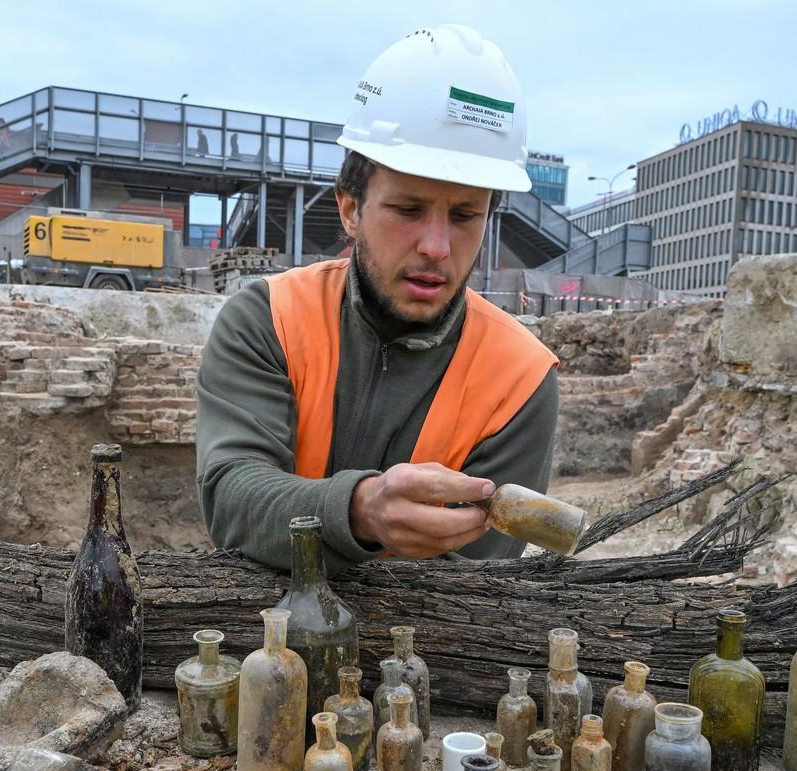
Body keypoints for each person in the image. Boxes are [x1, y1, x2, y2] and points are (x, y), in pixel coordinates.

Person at [196, 25, 560, 574]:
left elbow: (473, 588)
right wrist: (359, 510)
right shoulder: (269, 319)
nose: (437, 248)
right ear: (350, 209)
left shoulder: (519, 378)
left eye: (465, 216)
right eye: (408, 210)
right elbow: (233, 497)